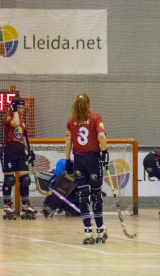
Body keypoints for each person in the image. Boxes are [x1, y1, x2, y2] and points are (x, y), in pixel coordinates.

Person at [65, 93, 109, 244]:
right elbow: (101, 136)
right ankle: (100, 228)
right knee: (96, 194)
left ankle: (88, 230)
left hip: (78, 161)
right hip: (92, 160)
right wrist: (104, 153)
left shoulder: (71, 121)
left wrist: (67, 161)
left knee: (83, 195)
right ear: (89, 104)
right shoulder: (95, 118)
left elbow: (68, 141)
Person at [0, 96, 37, 220]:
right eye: (19, 108)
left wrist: (29, 150)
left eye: (22, 108)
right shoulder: (8, 116)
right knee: (10, 179)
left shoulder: (21, 117)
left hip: (20, 151)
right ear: (14, 107)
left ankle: (25, 205)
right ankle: (7, 205)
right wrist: (14, 111)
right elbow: (15, 124)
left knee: (25, 179)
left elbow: (23, 136)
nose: (21, 110)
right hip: (9, 150)